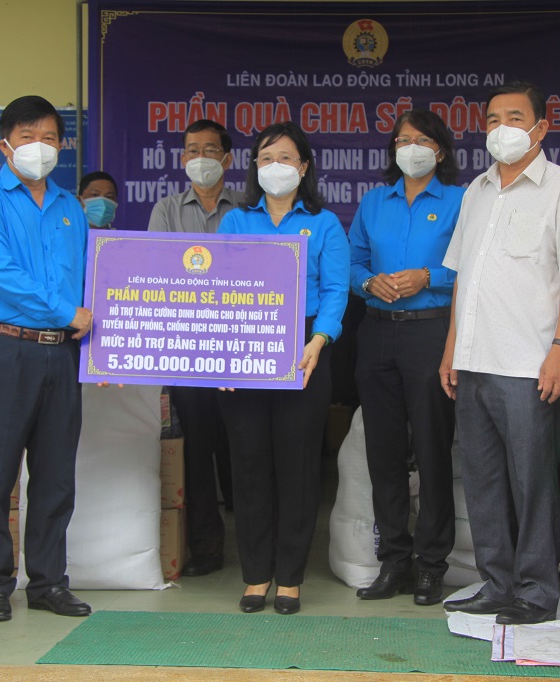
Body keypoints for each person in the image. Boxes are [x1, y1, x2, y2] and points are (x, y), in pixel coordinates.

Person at [440, 81, 560, 625]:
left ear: (540, 126)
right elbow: (463, 279)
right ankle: (495, 581)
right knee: (482, 480)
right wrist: (450, 350)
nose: (501, 127)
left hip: (530, 364)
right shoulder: (476, 191)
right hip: (474, 360)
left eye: (514, 116)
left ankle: (535, 591)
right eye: (492, 118)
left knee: (533, 483)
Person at [0, 95, 92, 623]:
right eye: (29, 136)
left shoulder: (69, 206)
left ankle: (48, 583)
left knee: (56, 476)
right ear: (3, 144)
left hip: (61, 357)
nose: (40, 147)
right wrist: (65, 311)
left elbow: (90, 283)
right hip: (4, 349)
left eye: (50, 137)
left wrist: (105, 351)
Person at [217, 121, 348, 615]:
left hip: (306, 348)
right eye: (267, 157)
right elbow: (220, 290)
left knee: (297, 466)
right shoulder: (235, 222)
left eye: (287, 158)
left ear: (305, 167)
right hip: (245, 348)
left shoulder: (325, 223)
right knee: (249, 463)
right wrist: (225, 355)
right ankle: (256, 575)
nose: (277, 166)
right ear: (255, 166)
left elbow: (336, 289)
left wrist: (320, 339)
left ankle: (289, 577)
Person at [349, 109, 464, 607]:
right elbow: (352, 262)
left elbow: (472, 266)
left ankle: (431, 565)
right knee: (384, 452)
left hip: (432, 333)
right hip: (376, 333)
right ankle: (394, 560)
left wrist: (428, 277)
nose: (410, 147)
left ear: (439, 149)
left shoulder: (462, 200)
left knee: (434, 449)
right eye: (402, 140)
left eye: (420, 140)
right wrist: (366, 281)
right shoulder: (374, 202)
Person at [148, 119, 244, 577]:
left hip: (243, 352)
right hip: (187, 352)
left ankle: (253, 545)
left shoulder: (248, 208)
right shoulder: (166, 210)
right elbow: (159, 273)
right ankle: (207, 548)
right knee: (198, 454)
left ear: (228, 159)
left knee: (244, 451)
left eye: (210, 150)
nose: (200, 158)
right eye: (191, 150)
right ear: (182, 159)